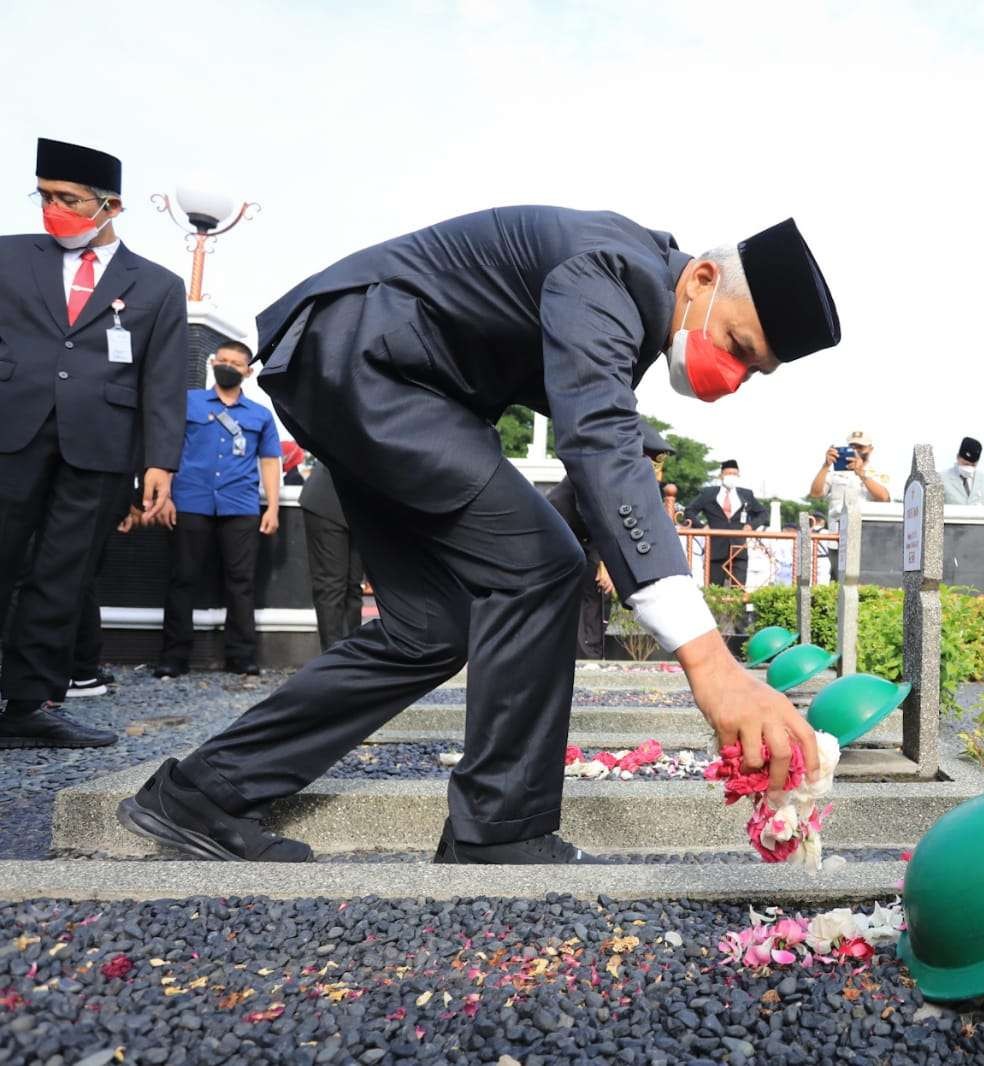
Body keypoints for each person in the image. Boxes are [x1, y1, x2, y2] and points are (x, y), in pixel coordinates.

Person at [117, 209, 839, 865]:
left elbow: (599, 444)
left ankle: (200, 793)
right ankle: (499, 830)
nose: (734, 374)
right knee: (544, 566)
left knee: (431, 627)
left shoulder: (632, 292)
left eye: (754, 371)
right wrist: (710, 662)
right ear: (704, 278)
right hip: (372, 366)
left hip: (367, 377)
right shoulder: (612, 269)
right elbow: (598, 440)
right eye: (738, 345)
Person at [0, 139, 186, 749]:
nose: (53, 208)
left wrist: (160, 462)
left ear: (111, 206)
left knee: (63, 575)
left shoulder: (157, 285)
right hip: (12, 432)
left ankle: (29, 705)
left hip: (101, 446)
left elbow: (162, 378)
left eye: (68, 199)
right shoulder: (8, 256)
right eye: (45, 195)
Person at [153, 342, 281, 677]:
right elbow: (168, 448)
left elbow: (269, 462)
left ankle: (242, 657)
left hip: (240, 504)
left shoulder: (260, 415)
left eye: (236, 363)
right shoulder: (188, 403)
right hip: (190, 500)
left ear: (248, 372)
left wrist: (273, 507)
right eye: (222, 360)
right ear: (212, 363)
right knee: (182, 579)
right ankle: (173, 657)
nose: (227, 366)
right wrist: (163, 495)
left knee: (241, 583)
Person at [548, 423, 676, 658]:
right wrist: (603, 564)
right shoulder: (598, 469)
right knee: (591, 593)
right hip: (557, 538)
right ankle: (587, 658)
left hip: (581, 540)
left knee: (596, 597)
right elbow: (595, 518)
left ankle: (588, 653)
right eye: (652, 461)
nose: (656, 471)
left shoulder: (623, 475)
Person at [299, 455, 363, 653]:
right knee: (332, 585)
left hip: (359, 505)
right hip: (328, 500)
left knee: (353, 585)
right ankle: (334, 659)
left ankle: (352, 656)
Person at [807, 429, 889, 579]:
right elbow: (815, 493)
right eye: (852, 446)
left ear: (870, 449)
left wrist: (861, 473)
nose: (856, 450)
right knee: (840, 580)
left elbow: (884, 497)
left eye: (860, 447)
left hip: (869, 535)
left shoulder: (878, 471)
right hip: (838, 536)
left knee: (867, 579)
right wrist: (825, 465)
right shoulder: (835, 472)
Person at [681, 460, 770, 587]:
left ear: (738, 476)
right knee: (713, 589)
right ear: (721, 475)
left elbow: (763, 513)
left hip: (738, 549)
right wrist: (701, 527)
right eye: (728, 473)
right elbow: (689, 511)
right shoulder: (708, 493)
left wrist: (751, 525)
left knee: (738, 589)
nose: (731, 476)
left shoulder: (746, 494)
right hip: (715, 549)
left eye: (734, 474)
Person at [941, 436, 984, 505]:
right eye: (965, 464)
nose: (968, 468)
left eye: (973, 465)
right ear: (957, 457)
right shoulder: (941, 479)